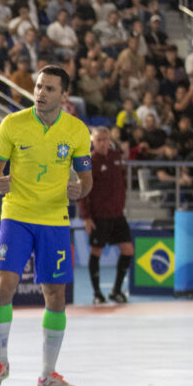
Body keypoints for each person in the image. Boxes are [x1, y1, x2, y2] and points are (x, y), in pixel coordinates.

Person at [0, 65, 92, 386]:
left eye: (49, 88)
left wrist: (80, 190)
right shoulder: (12, 124)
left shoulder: (77, 131)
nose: (41, 93)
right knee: (5, 285)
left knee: (55, 295)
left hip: (55, 219)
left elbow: (86, 179)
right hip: (16, 214)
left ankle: (48, 375)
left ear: (64, 96)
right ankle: (0, 361)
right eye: (39, 86)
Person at [77, 127, 133, 304]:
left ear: (110, 140)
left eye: (105, 139)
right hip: (99, 216)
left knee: (128, 250)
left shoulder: (116, 157)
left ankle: (116, 290)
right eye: (98, 139)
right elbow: (82, 190)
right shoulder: (89, 161)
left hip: (117, 215)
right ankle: (97, 294)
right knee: (96, 252)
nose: (102, 143)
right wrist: (86, 217)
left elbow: (122, 181)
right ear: (92, 141)